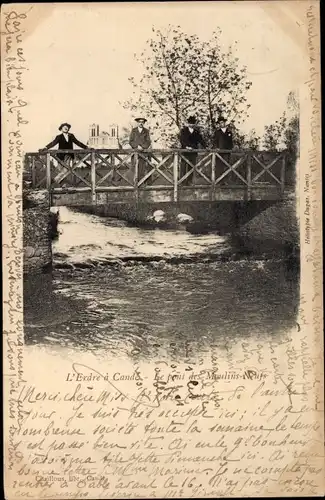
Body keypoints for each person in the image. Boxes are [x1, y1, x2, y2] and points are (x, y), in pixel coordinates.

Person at [179, 116, 206, 185]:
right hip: (185, 152)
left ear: (195, 124)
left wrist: (206, 147)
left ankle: (189, 181)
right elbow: (182, 140)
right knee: (183, 167)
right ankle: (182, 182)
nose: (192, 124)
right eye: (190, 123)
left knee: (191, 167)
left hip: (193, 152)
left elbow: (201, 140)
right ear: (188, 123)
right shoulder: (183, 130)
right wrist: (186, 147)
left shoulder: (196, 132)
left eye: (193, 123)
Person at [129, 118, 152, 184]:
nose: (141, 123)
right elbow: (131, 141)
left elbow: (148, 141)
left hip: (143, 152)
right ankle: (134, 182)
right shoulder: (134, 130)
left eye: (142, 122)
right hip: (135, 151)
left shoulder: (146, 131)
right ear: (137, 122)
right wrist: (136, 146)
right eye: (139, 122)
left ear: (144, 123)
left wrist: (143, 147)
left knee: (143, 167)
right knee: (134, 166)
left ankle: (142, 182)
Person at [212, 117, 234, 183]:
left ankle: (226, 181)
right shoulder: (217, 132)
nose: (221, 124)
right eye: (220, 123)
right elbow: (215, 142)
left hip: (227, 152)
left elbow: (231, 142)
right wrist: (216, 148)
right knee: (219, 166)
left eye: (222, 122)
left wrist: (230, 149)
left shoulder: (229, 132)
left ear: (225, 123)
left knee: (227, 166)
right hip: (219, 152)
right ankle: (219, 181)